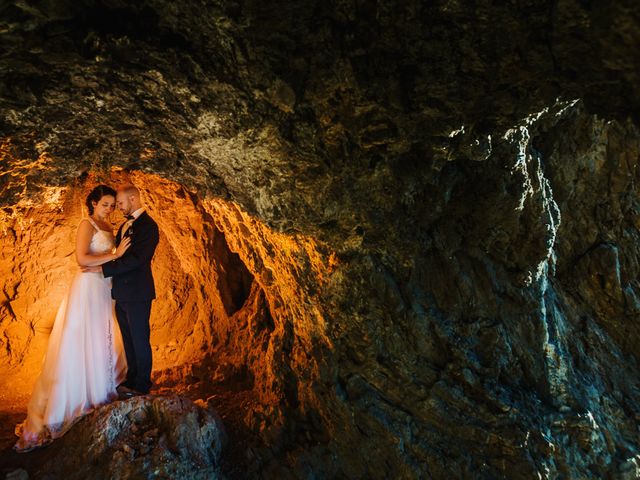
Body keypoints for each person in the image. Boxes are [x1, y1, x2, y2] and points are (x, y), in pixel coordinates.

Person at [14, 185, 130, 453]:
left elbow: (95, 261)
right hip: (87, 287)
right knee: (82, 338)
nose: (109, 209)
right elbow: (82, 258)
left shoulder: (109, 227)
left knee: (103, 335)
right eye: (105, 204)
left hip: (104, 286)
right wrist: (115, 254)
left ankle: (99, 387)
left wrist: (108, 260)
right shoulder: (86, 224)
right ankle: (75, 398)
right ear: (93, 204)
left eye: (112, 205)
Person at [87, 184, 159, 398]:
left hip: (138, 292)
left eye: (120, 203)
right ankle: (132, 378)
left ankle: (143, 385)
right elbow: (120, 255)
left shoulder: (148, 226)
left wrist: (103, 268)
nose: (117, 207)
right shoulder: (125, 225)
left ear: (133, 199)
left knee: (139, 338)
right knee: (128, 339)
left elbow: (138, 259)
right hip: (121, 292)